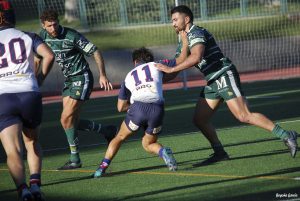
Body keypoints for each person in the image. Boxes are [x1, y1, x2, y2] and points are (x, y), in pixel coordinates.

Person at [155, 5, 298, 163]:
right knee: (200, 119)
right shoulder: (184, 39)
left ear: (186, 19)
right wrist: (155, 82)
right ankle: (220, 153)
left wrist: (172, 67)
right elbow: (177, 67)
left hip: (223, 74)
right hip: (212, 80)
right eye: (172, 21)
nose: (172, 24)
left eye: (175, 19)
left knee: (243, 115)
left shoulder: (196, 32)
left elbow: (195, 57)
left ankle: (285, 134)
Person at [92, 33, 189, 178]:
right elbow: (181, 60)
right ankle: (163, 152)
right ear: (150, 59)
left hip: (138, 109)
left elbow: (120, 107)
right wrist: (185, 41)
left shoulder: (129, 75)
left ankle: (102, 168)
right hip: (158, 109)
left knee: (119, 137)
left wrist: (132, 107)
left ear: (135, 62)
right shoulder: (158, 64)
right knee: (148, 143)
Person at [35, 9, 118, 170]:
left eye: (55, 24)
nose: (53, 28)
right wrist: (34, 78)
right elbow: (38, 58)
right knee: (70, 122)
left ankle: (75, 159)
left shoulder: (71, 35)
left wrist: (102, 75)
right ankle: (106, 130)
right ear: (43, 26)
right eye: (49, 26)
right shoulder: (42, 36)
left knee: (65, 118)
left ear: (58, 22)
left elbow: (95, 51)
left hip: (82, 77)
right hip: (69, 81)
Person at [0, 1, 55, 200]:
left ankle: (22, 190)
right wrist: (38, 79)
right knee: (32, 142)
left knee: (12, 150)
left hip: (3, 97)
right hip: (29, 93)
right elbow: (48, 56)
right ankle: (35, 185)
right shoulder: (28, 36)